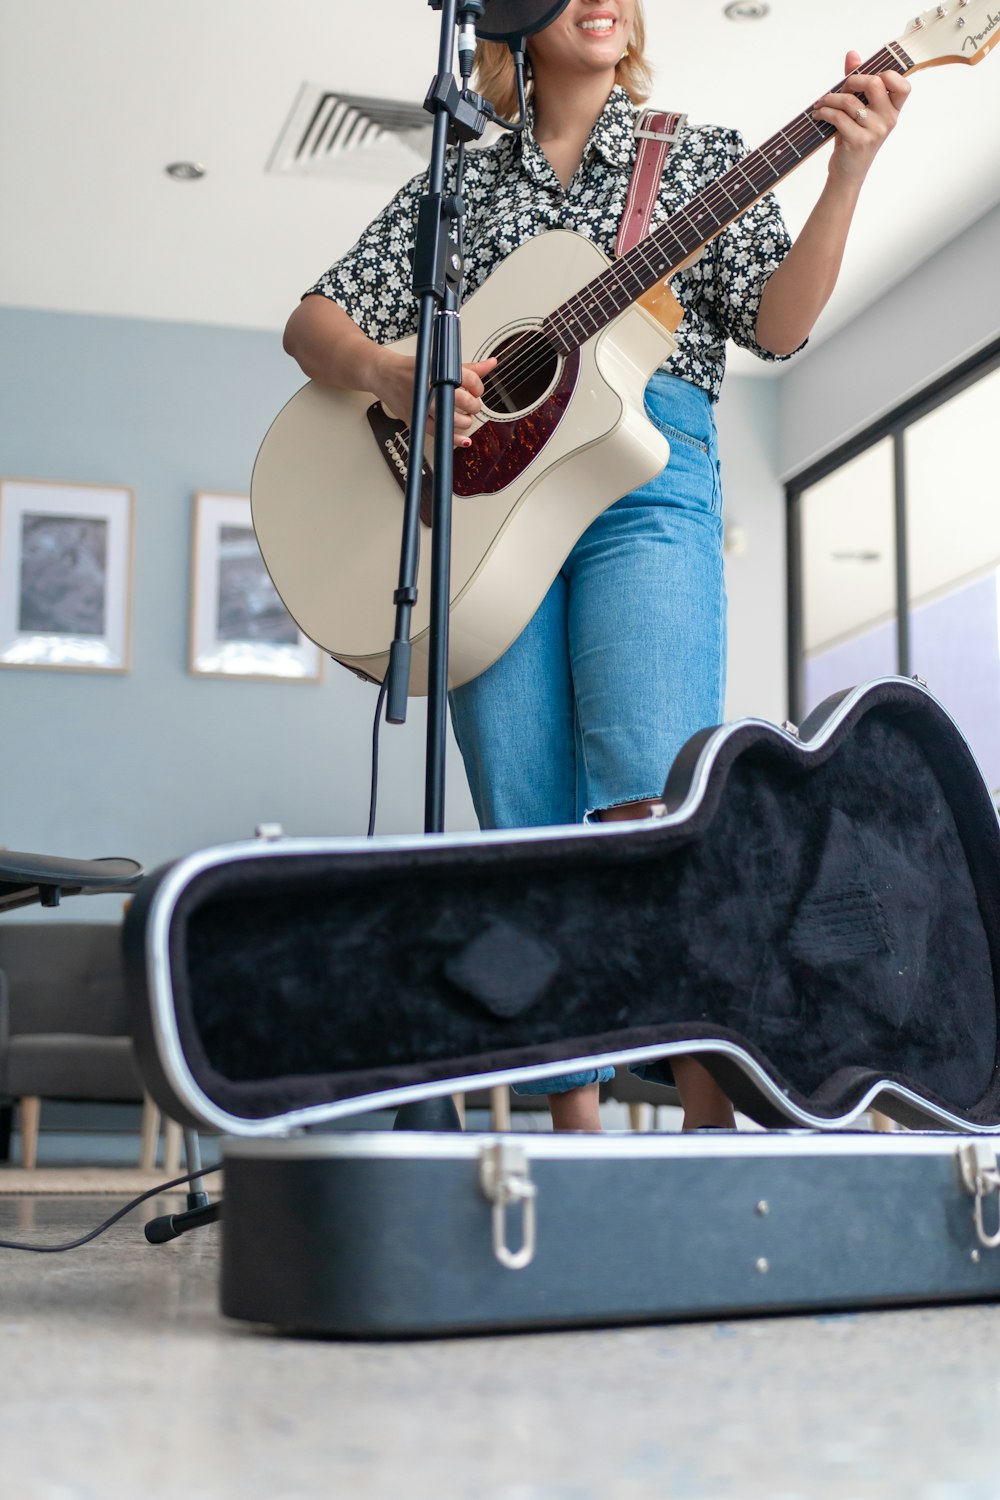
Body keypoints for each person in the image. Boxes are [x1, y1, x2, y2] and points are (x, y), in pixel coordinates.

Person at [283, 0, 909, 1133]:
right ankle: (572, 1140)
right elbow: (312, 321)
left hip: (646, 473)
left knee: (655, 796)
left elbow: (773, 328)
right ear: (514, 18)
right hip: (486, 511)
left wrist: (846, 176)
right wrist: (391, 373)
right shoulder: (457, 184)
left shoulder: (696, 156)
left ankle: (707, 1126)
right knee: (526, 817)